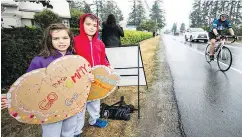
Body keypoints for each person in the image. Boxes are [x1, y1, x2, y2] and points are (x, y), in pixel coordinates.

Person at [1, 23, 94, 137]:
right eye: (56, 38)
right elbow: (27, 84)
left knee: (69, 131)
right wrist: (10, 96)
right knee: (52, 133)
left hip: (71, 105)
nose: (61, 41)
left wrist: (88, 78)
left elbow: (79, 78)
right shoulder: (39, 61)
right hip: (50, 109)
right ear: (49, 40)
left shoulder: (74, 59)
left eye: (65, 38)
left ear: (70, 39)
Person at [74, 13, 113, 137]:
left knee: (95, 100)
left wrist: (107, 67)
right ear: (82, 25)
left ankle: (94, 120)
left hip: (95, 79)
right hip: (81, 80)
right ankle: (76, 131)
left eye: (94, 25)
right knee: (80, 106)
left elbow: (103, 59)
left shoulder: (100, 43)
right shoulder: (75, 41)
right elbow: (72, 62)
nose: (91, 27)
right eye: (88, 24)